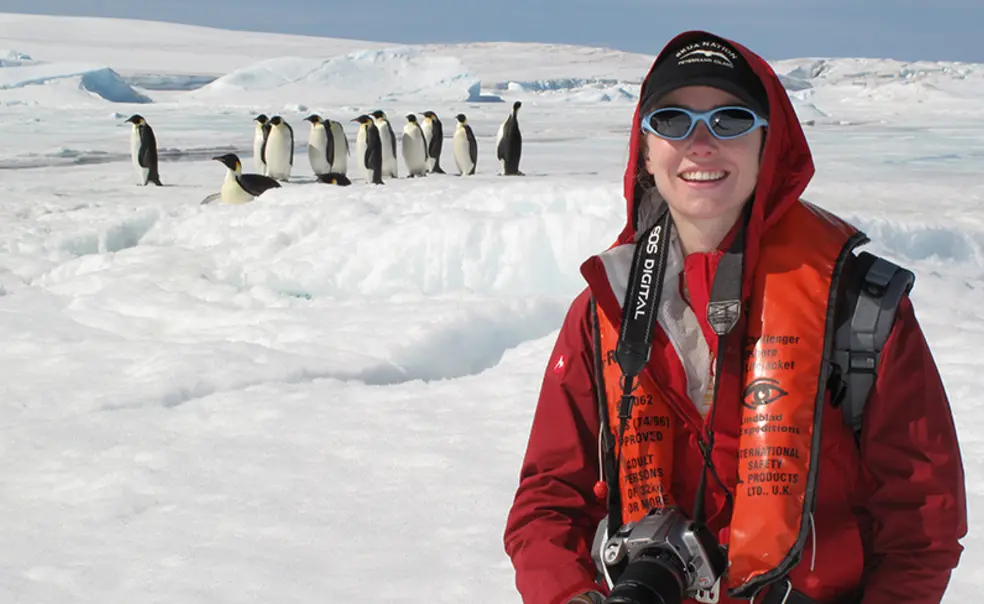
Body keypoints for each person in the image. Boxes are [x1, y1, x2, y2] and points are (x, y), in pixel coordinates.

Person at [503, 30, 966, 604]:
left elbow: (921, 524)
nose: (700, 145)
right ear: (645, 149)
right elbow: (548, 503)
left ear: (769, 143)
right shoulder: (606, 311)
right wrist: (568, 594)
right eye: (672, 121)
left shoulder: (860, 308)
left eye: (730, 120)